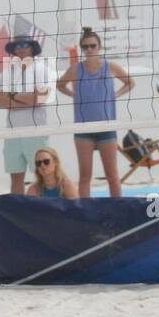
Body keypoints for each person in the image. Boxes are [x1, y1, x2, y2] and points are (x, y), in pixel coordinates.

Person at [56, 27, 134, 198]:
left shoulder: (110, 66)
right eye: (85, 47)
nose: (89, 49)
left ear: (100, 47)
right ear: (82, 49)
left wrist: (115, 95)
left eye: (92, 45)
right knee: (85, 176)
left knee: (112, 176)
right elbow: (59, 85)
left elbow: (130, 83)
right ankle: (85, 212)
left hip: (107, 126)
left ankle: (117, 208)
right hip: (84, 129)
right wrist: (74, 95)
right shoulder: (76, 69)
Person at [0, 37, 52, 195]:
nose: (21, 48)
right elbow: (1, 102)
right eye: (17, 46)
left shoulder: (42, 69)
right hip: (13, 133)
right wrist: (28, 98)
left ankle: (43, 212)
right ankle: (19, 213)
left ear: (32, 49)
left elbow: (40, 99)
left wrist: (12, 96)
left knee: (43, 176)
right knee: (15, 178)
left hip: (36, 132)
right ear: (13, 50)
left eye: (25, 45)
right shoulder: (7, 73)